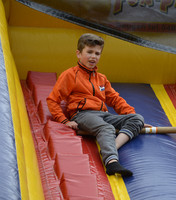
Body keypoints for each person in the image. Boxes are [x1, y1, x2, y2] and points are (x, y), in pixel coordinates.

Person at [47, 33, 145, 177]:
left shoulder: (101, 78)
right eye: (89, 52)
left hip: (103, 115)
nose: (93, 56)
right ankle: (111, 162)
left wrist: (131, 115)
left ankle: (113, 146)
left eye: (97, 53)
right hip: (82, 114)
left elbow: (115, 99)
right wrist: (64, 120)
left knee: (137, 118)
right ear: (79, 54)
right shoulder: (70, 75)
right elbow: (52, 100)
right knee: (106, 128)